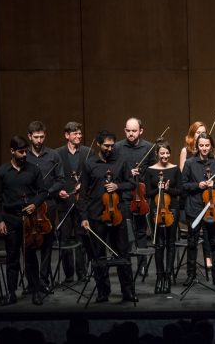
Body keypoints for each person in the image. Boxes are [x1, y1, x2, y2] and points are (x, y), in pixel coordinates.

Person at [79, 130, 137, 303]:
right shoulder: (89, 164)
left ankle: (128, 291)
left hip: (117, 215)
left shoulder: (121, 161)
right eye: (106, 146)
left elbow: (132, 184)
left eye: (112, 145)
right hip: (97, 215)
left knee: (122, 254)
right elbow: (82, 194)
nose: (110, 149)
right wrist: (84, 217)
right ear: (98, 144)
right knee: (99, 256)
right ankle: (103, 291)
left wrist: (117, 186)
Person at [0, 136, 48, 305]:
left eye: (25, 151)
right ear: (12, 151)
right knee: (12, 257)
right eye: (21, 151)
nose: (25, 154)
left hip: (29, 220)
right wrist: (0, 221)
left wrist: (34, 204)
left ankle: (36, 291)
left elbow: (43, 191)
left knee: (31, 257)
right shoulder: (2, 172)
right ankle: (11, 294)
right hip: (10, 219)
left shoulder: (34, 169)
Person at [181, 133, 215, 287]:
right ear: (197, 146)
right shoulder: (189, 163)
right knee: (192, 242)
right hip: (194, 208)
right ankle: (191, 275)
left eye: (207, 145)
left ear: (211, 146)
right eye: (201, 145)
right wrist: (197, 185)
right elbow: (183, 185)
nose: (204, 148)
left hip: (212, 209)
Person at [114, 117, 156, 278]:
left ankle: (142, 265)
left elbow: (153, 171)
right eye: (128, 131)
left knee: (140, 231)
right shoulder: (117, 147)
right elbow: (113, 170)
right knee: (124, 231)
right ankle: (126, 264)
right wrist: (127, 173)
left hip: (141, 195)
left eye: (134, 131)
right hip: (124, 196)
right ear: (125, 130)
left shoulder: (149, 147)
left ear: (141, 131)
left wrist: (142, 173)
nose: (131, 134)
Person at [25, 121, 63, 288]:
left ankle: (44, 280)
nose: (39, 140)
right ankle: (32, 282)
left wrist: (48, 192)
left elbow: (60, 180)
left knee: (47, 244)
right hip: (29, 205)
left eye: (41, 137)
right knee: (29, 244)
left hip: (48, 205)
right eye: (36, 137)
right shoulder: (24, 155)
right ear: (29, 137)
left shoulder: (53, 155)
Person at [144, 139, 182, 294]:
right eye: (162, 153)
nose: (165, 156)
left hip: (172, 208)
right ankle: (159, 277)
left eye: (167, 153)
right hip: (156, 209)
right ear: (157, 154)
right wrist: (158, 188)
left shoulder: (175, 169)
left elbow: (179, 191)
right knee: (159, 243)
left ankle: (168, 276)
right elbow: (147, 193)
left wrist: (168, 189)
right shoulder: (150, 170)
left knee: (170, 243)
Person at [55, 121, 90, 283]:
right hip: (65, 202)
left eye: (80, 133)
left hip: (82, 202)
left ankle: (82, 273)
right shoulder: (58, 154)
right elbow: (56, 178)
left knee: (82, 238)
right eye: (75, 133)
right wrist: (58, 191)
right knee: (65, 240)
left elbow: (92, 173)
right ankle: (69, 275)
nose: (79, 136)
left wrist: (84, 183)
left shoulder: (88, 152)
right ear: (67, 135)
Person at [178, 121, 213, 270]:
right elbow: (182, 177)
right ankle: (191, 270)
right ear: (193, 135)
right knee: (192, 237)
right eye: (198, 133)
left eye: (203, 132)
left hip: (208, 199)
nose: (200, 136)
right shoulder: (186, 152)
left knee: (208, 235)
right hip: (191, 197)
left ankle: (208, 259)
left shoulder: (210, 153)